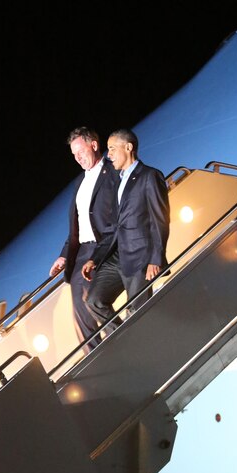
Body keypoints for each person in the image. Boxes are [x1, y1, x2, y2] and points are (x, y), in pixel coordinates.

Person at [82, 127, 170, 338]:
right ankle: (123, 338)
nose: (108, 154)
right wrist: (95, 258)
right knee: (94, 300)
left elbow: (161, 220)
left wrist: (155, 259)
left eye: (112, 148)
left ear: (128, 147)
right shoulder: (119, 182)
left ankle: (141, 344)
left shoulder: (150, 176)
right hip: (118, 256)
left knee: (138, 310)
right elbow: (114, 227)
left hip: (141, 257)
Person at [49, 126, 119, 351]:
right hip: (82, 252)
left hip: (105, 246)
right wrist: (63, 256)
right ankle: (95, 354)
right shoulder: (80, 183)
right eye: (74, 155)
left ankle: (122, 336)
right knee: (79, 311)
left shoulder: (113, 172)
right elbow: (76, 226)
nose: (78, 158)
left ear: (94, 145)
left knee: (95, 302)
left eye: (80, 152)